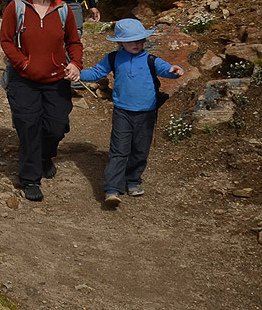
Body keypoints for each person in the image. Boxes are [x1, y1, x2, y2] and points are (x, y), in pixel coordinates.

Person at [0, 0, 83, 202]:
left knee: (56, 127)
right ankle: (30, 178)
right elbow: (6, 41)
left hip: (56, 80)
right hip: (23, 80)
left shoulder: (63, 10)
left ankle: (45, 156)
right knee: (28, 126)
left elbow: (74, 43)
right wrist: (24, 63)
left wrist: (75, 64)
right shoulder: (16, 8)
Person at [78, 18, 183, 208]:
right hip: (122, 112)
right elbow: (96, 72)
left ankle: (133, 180)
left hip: (146, 113)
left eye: (140, 40)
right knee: (119, 149)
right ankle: (112, 188)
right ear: (120, 42)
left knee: (140, 149)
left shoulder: (151, 60)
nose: (137, 44)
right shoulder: (113, 58)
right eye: (132, 40)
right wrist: (77, 74)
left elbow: (167, 69)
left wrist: (175, 70)